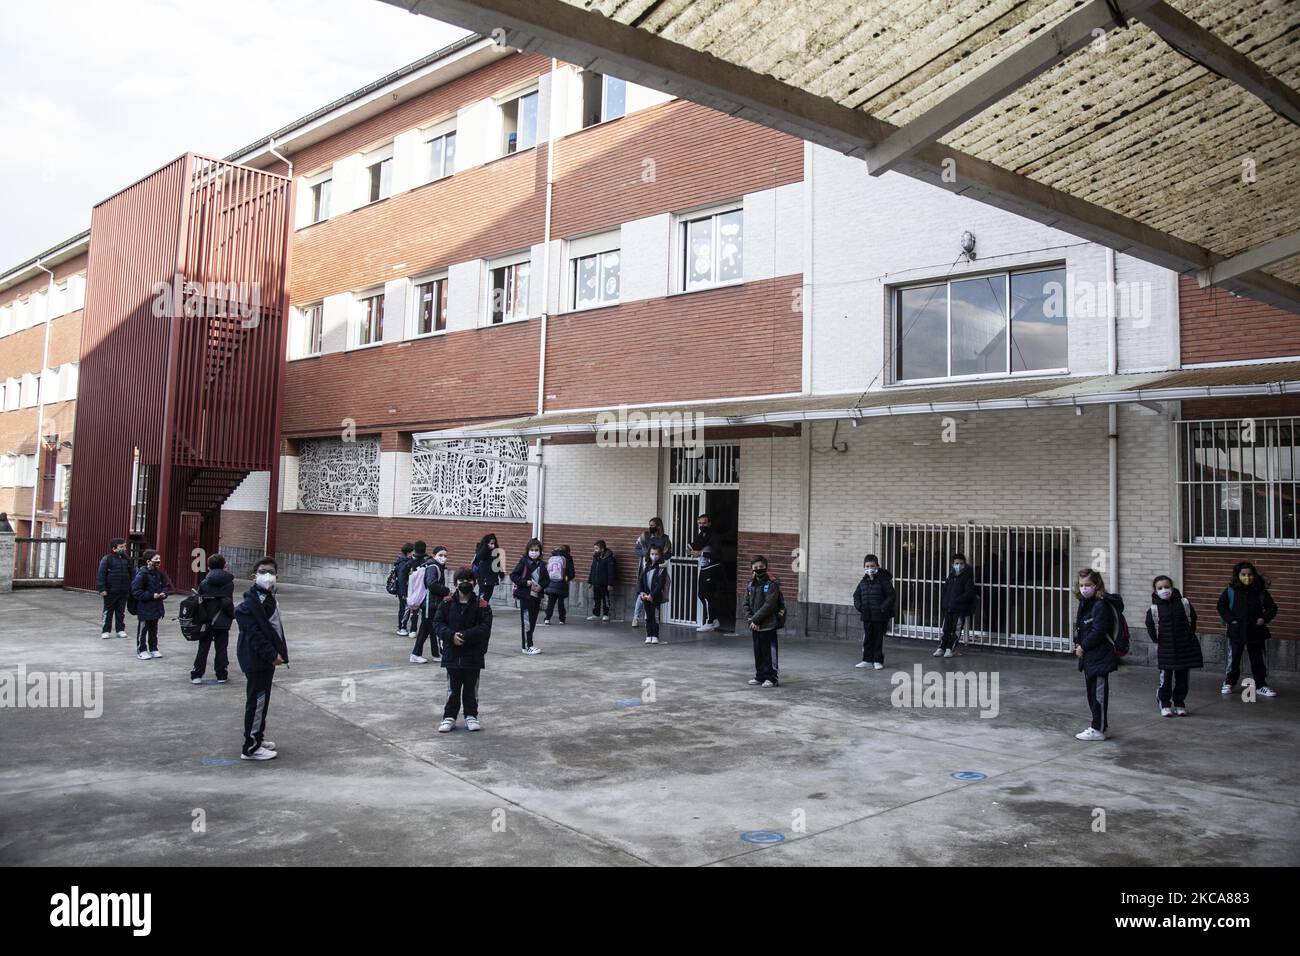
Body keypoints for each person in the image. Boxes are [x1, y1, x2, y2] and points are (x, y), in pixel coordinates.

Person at [235, 556, 289, 761]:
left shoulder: (268, 598)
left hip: (264, 661)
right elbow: (255, 634)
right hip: (256, 659)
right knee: (257, 702)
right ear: (254, 576)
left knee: (262, 701)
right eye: (263, 572)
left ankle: (257, 736)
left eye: (271, 572)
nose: (268, 576)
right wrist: (272, 655)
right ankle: (251, 747)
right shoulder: (250, 604)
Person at [434, 568, 494, 733]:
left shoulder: (482, 606)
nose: (465, 583)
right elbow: (438, 624)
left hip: (473, 656)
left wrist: (465, 636)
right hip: (451, 655)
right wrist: (451, 636)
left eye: (469, 580)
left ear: (474, 583)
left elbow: (485, 628)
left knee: (471, 689)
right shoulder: (446, 603)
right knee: (452, 690)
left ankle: (471, 716)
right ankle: (449, 717)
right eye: (461, 580)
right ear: (455, 583)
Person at [1073, 568, 1123, 741]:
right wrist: (1078, 642)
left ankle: (1098, 728)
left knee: (1098, 694)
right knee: (1092, 693)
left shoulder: (1100, 604)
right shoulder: (1085, 603)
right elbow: (1081, 627)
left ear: (1096, 585)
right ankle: (1100, 725)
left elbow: (1098, 631)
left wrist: (1083, 646)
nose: (1084, 588)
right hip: (1091, 656)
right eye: (1081, 585)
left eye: (1088, 585)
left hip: (1100, 655)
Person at [1217, 560, 1279, 698]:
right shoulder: (1231, 590)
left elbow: (1272, 607)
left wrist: (1264, 618)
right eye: (1243, 574)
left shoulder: (1260, 591)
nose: (1247, 577)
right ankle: (1229, 682)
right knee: (1234, 658)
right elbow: (1221, 605)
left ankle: (1261, 685)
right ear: (1237, 575)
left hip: (1256, 630)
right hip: (1236, 630)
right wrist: (1231, 619)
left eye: (1250, 574)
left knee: (1257, 659)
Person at [1144, 575, 1201, 716]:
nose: (1164, 590)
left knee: (1182, 679)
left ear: (1173, 587)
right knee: (1166, 679)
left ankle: (1180, 703)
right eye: (1160, 588)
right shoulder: (1154, 609)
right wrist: (1157, 641)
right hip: (1166, 649)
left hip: (1184, 648)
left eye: (1167, 587)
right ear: (1155, 591)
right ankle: (1164, 703)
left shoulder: (1184, 603)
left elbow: (1192, 619)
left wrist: (1189, 635)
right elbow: (1150, 626)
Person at [191, 554, 236, 684]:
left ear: (209, 566)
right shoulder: (229, 583)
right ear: (224, 565)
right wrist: (232, 615)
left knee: (203, 648)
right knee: (221, 648)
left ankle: (196, 675)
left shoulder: (204, 582)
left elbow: (199, 601)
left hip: (206, 620)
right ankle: (221, 674)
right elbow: (227, 602)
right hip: (222, 620)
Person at [744, 555, 782, 687]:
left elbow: (769, 605)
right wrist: (750, 619)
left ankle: (772, 678)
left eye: (761, 567)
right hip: (755, 626)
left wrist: (755, 619)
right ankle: (760, 676)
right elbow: (746, 603)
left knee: (769, 653)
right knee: (758, 651)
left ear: (766, 567)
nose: (759, 569)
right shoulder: (750, 584)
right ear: (752, 569)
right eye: (756, 568)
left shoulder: (772, 584)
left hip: (768, 625)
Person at [853, 554, 895, 670]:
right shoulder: (863, 581)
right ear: (864, 567)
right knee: (867, 639)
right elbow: (856, 596)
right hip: (867, 615)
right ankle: (867, 659)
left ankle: (877, 660)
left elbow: (891, 595)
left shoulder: (883, 580)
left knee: (877, 639)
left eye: (872, 566)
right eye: (867, 566)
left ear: (877, 566)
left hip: (880, 616)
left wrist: (882, 608)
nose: (869, 568)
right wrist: (860, 607)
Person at [410, 546, 450, 663]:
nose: (443, 558)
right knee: (425, 629)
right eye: (441, 555)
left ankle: (436, 654)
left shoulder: (435, 566)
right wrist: (446, 591)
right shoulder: (433, 567)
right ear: (434, 555)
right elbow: (431, 584)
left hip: (433, 603)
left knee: (432, 629)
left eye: (445, 556)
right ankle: (415, 654)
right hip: (429, 603)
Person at [130, 550, 171, 661]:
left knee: (154, 630)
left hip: (157, 608)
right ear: (148, 561)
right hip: (145, 608)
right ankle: (141, 650)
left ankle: (153, 648)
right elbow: (136, 591)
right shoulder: (142, 574)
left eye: (159, 559)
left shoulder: (159, 574)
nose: (158, 561)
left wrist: (164, 593)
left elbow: (166, 586)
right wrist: (152, 596)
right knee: (143, 630)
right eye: (156, 559)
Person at [934, 552, 977, 657]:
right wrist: (945, 602)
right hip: (948, 608)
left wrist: (957, 600)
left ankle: (950, 648)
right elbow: (945, 590)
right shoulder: (951, 576)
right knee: (946, 629)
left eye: (961, 563)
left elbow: (969, 593)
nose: (958, 565)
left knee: (956, 630)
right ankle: (941, 647)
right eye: (956, 563)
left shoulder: (967, 577)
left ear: (964, 564)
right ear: (953, 564)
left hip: (959, 608)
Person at [510, 539, 548, 655]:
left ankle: (529, 643)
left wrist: (541, 587)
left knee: (532, 621)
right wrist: (526, 583)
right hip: (525, 596)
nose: (534, 552)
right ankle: (527, 646)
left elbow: (547, 580)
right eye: (531, 550)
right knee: (526, 622)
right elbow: (513, 575)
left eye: (536, 550)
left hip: (536, 597)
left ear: (540, 552)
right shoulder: (523, 562)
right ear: (528, 551)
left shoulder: (542, 565)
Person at [631, 518, 671, 628]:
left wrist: (659, 557)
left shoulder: (665, 539)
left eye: (653, 525)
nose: (650, 527)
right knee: (642, 593)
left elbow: (668, 554)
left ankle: (653, 619)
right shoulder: (644, 536)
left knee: (655, 593)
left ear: (659, 526)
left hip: (658, 570)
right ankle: (636, 617)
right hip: (645, 568)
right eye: (650, 525)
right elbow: (635, 550)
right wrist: (647, 554)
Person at [96, 537, 133, 639]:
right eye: (121, 547)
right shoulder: (107, 559)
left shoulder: (127, 559)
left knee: (121, 612)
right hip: (110, 591)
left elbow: (132, 574)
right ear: (114, 548)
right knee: (108, 611)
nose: (124, 549)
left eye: (124, 546)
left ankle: (120, 629)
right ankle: (105, 630)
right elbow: (101, 574)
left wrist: (131, 588)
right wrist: (102, 589)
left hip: (123, 590)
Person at [689, 513, 721, 632]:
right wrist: (690, 549)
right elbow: (695, 546)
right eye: (700, 523)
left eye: (704, 523)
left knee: (708, 595)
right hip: (703, 568)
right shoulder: (700, 535)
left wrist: (701, 553)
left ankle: (710, 622)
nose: (702, 525)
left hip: (712, 567)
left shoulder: (714, 536)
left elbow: (717, 554)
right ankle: (715, 619)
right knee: (701, 594)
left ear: (709, 523)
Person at [637, 544, 669, 645]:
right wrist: (641, 592)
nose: (654, 556)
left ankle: (655, 635)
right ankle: (648, 635)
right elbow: (640, 580)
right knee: (647, 616)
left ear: (660, 555)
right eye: (652, 554)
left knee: (655, 617)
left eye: (656, 554)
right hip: (645, 596)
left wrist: (652, 595)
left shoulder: (661, 568)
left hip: (655, 597)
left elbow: (660, 585)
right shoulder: (646, 566)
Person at [542, 545, 574, 625]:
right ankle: (562, 619)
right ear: (568, 551)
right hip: (562, 583)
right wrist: (567, 578)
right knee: (561, 602)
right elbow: (571, 573)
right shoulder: (567, 558)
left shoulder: (553, 556)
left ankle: (547, 618)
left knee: (551, 602)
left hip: (551, 582)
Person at [586, 540, 617, 621]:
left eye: (596, 548)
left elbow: (611, 572)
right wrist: (590, 581)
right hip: (596, 583)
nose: (595, 550)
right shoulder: (595, 558)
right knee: (596, 599)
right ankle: (595, 614)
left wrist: (610, 584)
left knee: (605, 599)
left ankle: (606, 614)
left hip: (604, 584)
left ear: (602, 549)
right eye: (594, 548)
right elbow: (592, 570)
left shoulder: (609, 559)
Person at [473, 533, 505, 604]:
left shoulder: (495, 552)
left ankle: (485, 608)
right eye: (490, 543)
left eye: (494, 543)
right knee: (482, 595)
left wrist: (501, 574)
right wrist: (486, 547)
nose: (492, 545)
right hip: (483, 577)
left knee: (488, 594)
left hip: (492, 577)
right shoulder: (482, 550)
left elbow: (498, 564)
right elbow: (479, 557)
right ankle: (480, 609)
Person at [392, 542, 415, 636]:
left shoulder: (405, 561)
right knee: (404, 608)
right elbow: (401, 579)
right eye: (413, 551)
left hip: (405, 589)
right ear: (409, 552)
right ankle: (402, 627)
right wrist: (404, 593)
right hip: (403, 590)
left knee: (405, 608)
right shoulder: (403, 563)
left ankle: (403, 626)